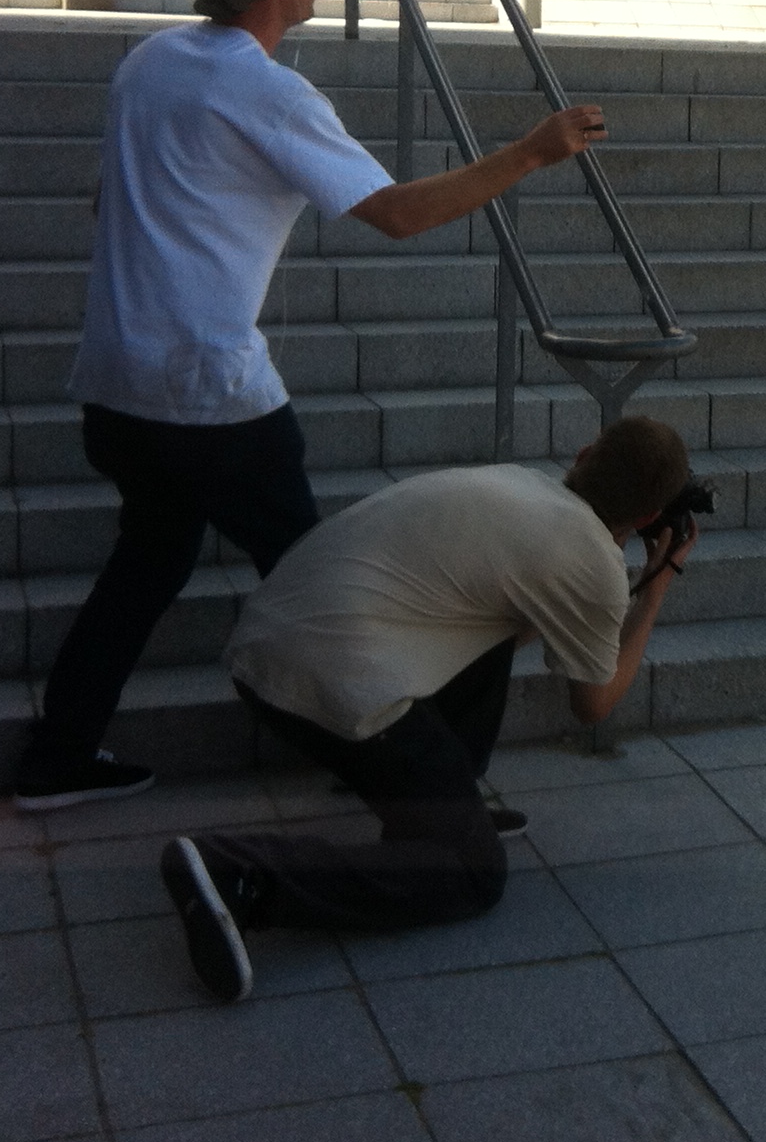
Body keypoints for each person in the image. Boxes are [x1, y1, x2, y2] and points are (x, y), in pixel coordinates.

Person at [12, 0, 611, 812]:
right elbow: (400, 214)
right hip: (211, 396)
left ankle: (57, 759)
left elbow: (110, 202)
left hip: (116, 386)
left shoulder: (149, 63)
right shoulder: (268, 90)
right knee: (339, 585)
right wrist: (531, 152)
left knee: (147, 566)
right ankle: (431, 778)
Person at [159, 419, 702, 1003]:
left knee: (492, 629)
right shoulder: (589, 559)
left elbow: (504, 628)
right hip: (325, 683)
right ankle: (240, 874)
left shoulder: (515, 484)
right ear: (649, 518)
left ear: (585, 454)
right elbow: (592, 704)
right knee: (474, 873)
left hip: (267, 651)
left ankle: (440, 808)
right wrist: (656, 590)